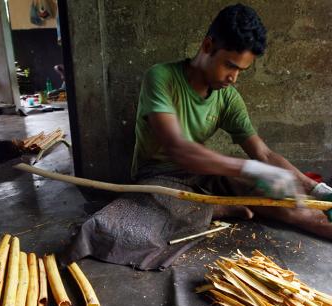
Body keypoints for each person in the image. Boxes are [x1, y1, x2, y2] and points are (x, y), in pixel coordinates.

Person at [131, 3, 332, 240]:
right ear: (207, 46)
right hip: (158, 177)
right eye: (229, 66)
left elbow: (263, 154)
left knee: (287, 204)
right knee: (147, 214)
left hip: (205, 173)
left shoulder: (227, 96)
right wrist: (250, 169)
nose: (233, 78)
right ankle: (221, 208)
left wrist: (313, 188)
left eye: (241, 71)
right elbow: (178, 149)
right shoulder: (161, 77)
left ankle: (218, 207)